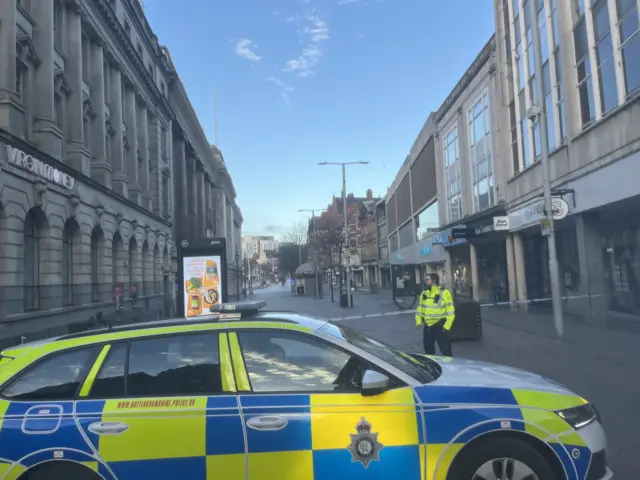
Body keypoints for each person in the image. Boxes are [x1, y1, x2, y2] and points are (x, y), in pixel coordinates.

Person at [415, 273, 455, 356]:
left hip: (440, 325)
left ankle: (449, 367)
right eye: (425, 280)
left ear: (433, 281)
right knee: (428, 351)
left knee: (446, 351)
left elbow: (450, 310)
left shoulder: (444, 292)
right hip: (428, 326)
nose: (425, 281)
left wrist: (447, 326)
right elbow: (420, 309)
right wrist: (418, 321)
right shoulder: (424, 293)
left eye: (427, 280)